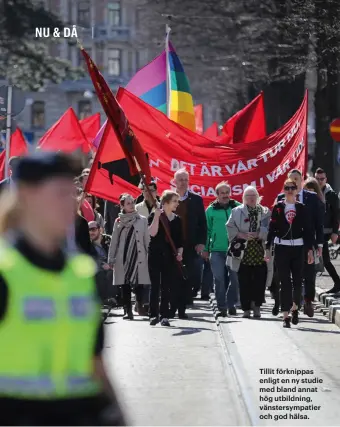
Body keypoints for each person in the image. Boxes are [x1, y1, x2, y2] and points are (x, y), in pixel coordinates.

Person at [0, 152, 125, 425]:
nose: (70, 203)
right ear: (25, 197)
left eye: (72, 193)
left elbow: (96, 363)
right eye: (59, 193)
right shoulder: (4, 271)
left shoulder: (81, 274)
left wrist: (118, 417)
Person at [265, 179, 314, 328]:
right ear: (284, 190)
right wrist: (268, 247)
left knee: (298, 281)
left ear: (297, 189)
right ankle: (285, 314)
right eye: (287, 188)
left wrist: (309, 250)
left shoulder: (302, 208)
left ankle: (295, 308)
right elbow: (272, 227)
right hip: (282, 248)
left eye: (293, 187)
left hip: (298, 248)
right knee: (284, 282)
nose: (290, 190)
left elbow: (308, 230)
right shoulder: (278, 207)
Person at [277, 169, 324, 317]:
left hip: (307, 242)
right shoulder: (280, 198)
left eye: (297, 179)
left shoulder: (311, 198)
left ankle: (308, 300)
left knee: (309, 273)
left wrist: (320, 244)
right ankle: (291, 304)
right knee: (290, 277)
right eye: (291, 180)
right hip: (287, 245)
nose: (295, 183)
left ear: (302, 180)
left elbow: (318, 223)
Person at [226, 186, 270, 318]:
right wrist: (240, 234)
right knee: (244, 282)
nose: (251, 198)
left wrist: (259, 234)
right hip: (242, 253)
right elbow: (229, 226)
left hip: (259, 251)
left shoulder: (265, 211)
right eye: (248, 196)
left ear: (257, 197)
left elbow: (270, 228)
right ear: (243, 198)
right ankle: (246, 309)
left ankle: (257, 307)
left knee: (259, 281)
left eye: (253, 195)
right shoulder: (236, 211)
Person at [108, 194, 150, 320]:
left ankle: (140, 304)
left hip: (138, 256)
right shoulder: (118, 221)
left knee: (138, 283)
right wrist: (111, 258)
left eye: (132, 202)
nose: (131, 205)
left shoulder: (142, 219)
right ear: (122, 206)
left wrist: (149, 256)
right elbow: (114, 240)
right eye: (128, 203)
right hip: (123, 257)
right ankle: (128, 311)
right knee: (124, 284)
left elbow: (146, 239)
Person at [202, 182, 241, 317]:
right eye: (222, 193)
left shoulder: (237, 207)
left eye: (227, 192)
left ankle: (231, 304)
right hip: (216, 250)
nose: (225, 195)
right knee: (219, 279)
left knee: (234, 279)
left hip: (234, 249)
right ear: (217, 194)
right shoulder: (210, 210)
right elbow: (206, 230)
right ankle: (222, 307)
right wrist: (206, 248)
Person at [148, 190, 184, 326]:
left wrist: (180, 254)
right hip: (155, 255)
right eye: (175, 201)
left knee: (166, 286)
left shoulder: (177, 220)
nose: (177, 204)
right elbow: (152, 233)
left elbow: (180, 241)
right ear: (166, 202)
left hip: (170, 257)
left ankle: (164, 316)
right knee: (155, 286)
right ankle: (153, 315)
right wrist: (157, 216)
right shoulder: (155, 215)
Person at [174, 169, 207, 301]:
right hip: (173, 241)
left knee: (190, 271)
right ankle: (175, 297)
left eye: (186, 180)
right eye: (181, 180)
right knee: (174, 271)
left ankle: (187, 298)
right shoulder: (168, 198)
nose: (183, 182)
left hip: (190, 242)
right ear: (175, 181)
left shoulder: (196, 199)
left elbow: (202, 223)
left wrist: (201, 242)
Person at [314, 168, 340, 294]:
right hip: (313, 231)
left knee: (326, 259)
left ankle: (337, 282)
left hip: (326, 232)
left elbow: (336, 215)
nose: (319, 181)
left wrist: (335, 232)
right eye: (317, 179)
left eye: (322, 179)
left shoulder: (331, 195)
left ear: (326, 179)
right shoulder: (311, 192)